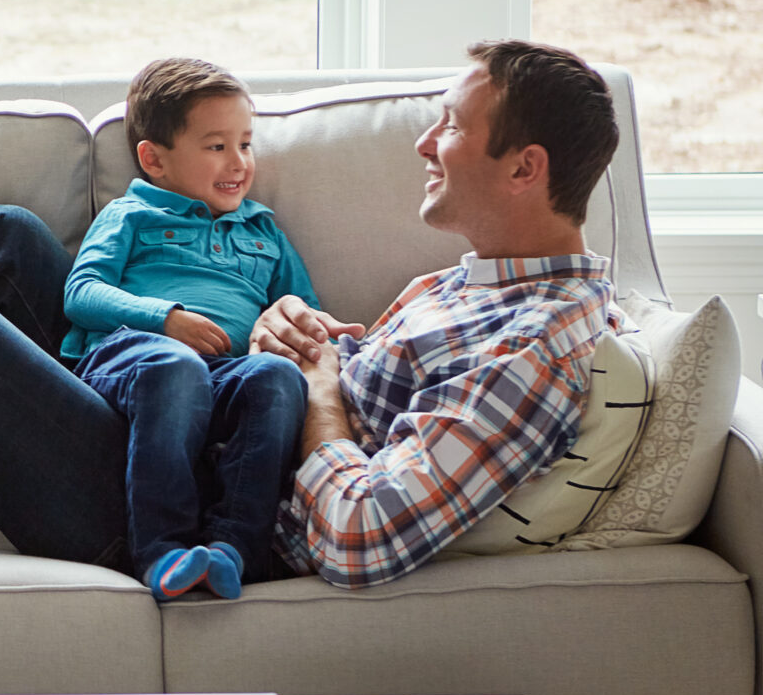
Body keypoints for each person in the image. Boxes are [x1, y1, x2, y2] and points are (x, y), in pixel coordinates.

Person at [249, 39, 623, 586]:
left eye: (450, 126)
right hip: (200, 436)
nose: (424, 144)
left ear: (524, 168)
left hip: (213, 517)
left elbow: (359, 537)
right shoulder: (470, 284)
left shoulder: (535, 347)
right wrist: (287, 330)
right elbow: (351, 389)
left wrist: (317, 390)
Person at [61, 59, 314, 601]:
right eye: (216, 146)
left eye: (245, 144)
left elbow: (299, 308)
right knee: (174, 366)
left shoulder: (262, 228)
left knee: (275, 377)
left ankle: (232, 550)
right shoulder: (132, 215)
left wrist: (313, 329)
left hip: (226, 373)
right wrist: (165, 319)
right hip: (131, 362)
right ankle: (162, 549)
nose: (239, 162)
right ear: (154, 159)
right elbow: (81, 294)